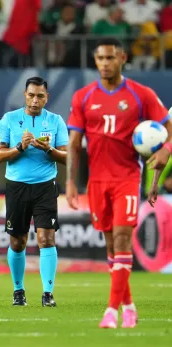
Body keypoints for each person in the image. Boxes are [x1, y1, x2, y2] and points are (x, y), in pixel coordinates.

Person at [66, 37, 172, 329]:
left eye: (110, 58)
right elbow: (74, 143)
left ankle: (111, 311)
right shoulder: (83, 97)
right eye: (100, 59)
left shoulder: (141, 94)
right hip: (97, 181)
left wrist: (165, 150)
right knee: (112, 248)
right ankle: (130, 307)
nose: (104, 64)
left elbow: (168, 127)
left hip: (127, 177)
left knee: (124, 240)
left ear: (122, 58)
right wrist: (71, 183)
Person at [0, 77, 68, 308]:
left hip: (46, 186)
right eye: (31, 95)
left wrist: (50, 150)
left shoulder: (55, 121)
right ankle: (18, 291)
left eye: (40, 96)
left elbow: (68, 157)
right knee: (18, 242)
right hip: (17, 187)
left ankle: (48, 293)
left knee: (47, 238)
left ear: (47, 97)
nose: (35, 101)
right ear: (25, 95)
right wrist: (20, 147)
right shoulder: (9, 119)